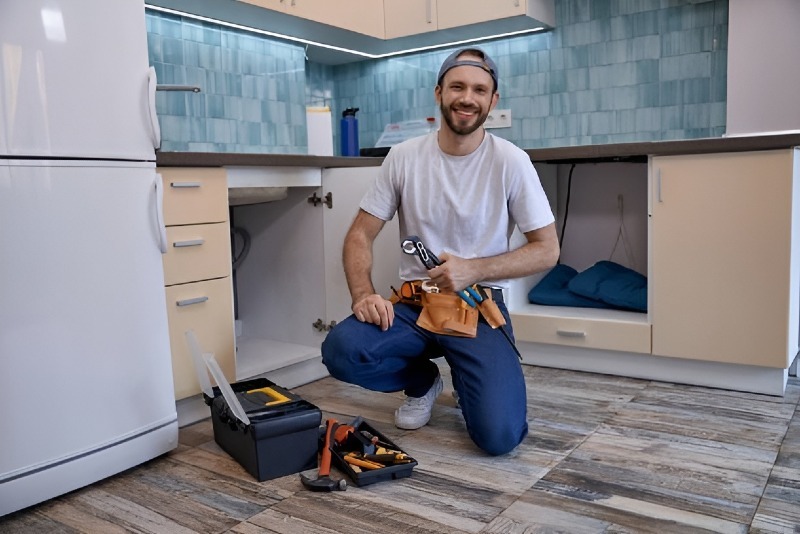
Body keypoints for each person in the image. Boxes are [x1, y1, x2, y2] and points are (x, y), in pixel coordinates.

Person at [321, 47, 559, 456]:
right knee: (341, 349)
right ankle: (423, 382)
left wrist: (473, 268)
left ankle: (471, 383)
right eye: (458, 86)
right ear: (439, 93)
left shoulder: (511, 162)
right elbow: (360, 235)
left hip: (477, 303)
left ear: (493, 100)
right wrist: (363, 294)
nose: (468, 97)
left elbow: (546, 250)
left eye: (479, 90)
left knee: (499, 437)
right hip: (416, 304)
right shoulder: (404, 157)